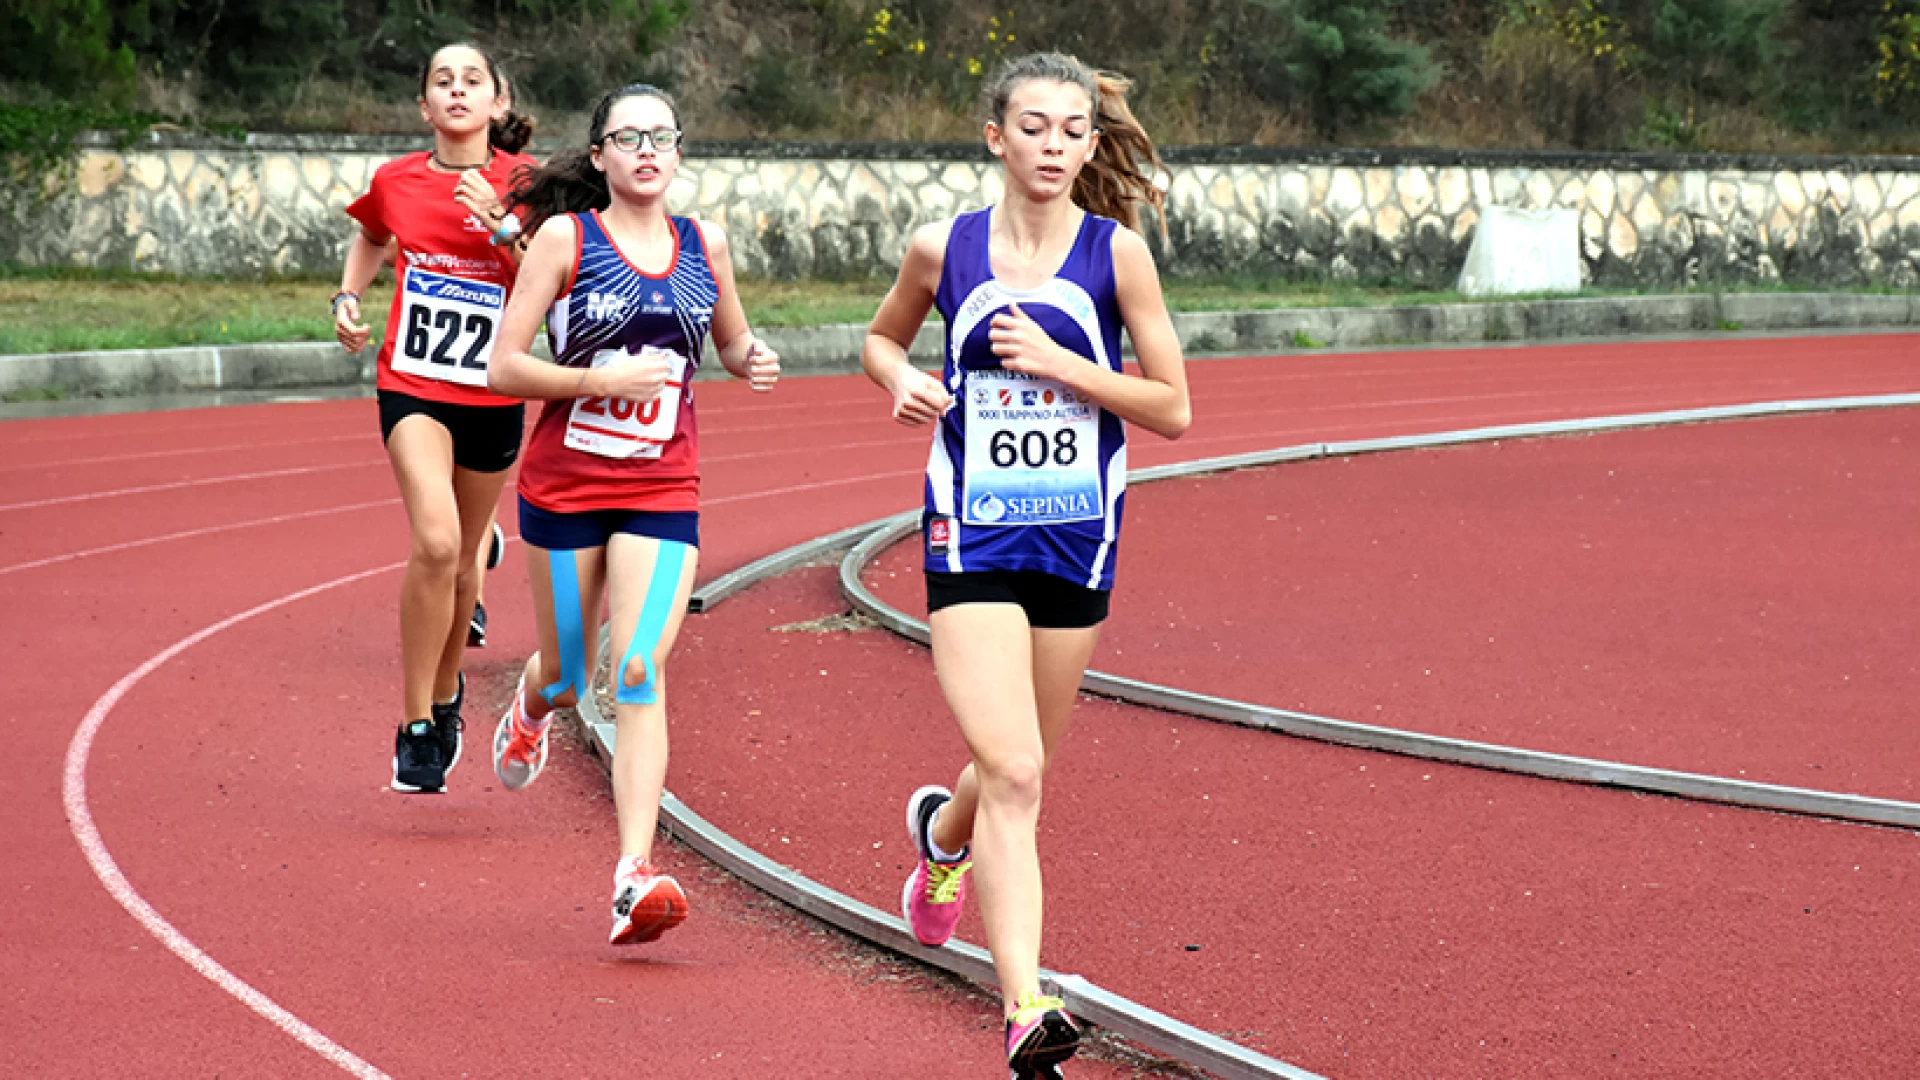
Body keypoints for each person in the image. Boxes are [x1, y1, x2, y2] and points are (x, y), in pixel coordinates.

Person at [859, 52, 1190, 1078]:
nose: (1053, 146)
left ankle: (941, 840)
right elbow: (876, 340)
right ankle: (1023, 1008)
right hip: (970, 531)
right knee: (1014, 768)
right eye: (1033, 127)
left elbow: (1173, 408)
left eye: (1071, 130)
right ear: (994, 137)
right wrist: (902, 378)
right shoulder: (942, 248)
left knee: (1020, 766)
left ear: (1092, 143)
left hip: (1078, 537)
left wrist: (1066, 368)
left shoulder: (1117, 256)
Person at [487, 83, 780, 945]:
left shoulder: (705, 245)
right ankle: (533, 707)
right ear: (603, 154)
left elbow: (728, 343)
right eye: (629, 137)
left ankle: (632, 873)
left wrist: (751, 358)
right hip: (565, 488)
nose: (647, 150)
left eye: (662, 137)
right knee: (573, 674)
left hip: (662, 486)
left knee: (640, 667)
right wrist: (597, 381)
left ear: (680, 152)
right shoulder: (564, 239)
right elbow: (505, 368)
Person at [333, 42, 537, 794]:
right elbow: (372, 234)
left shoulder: (525, 184)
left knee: (460, 566)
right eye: (442, 82)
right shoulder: (397, 180)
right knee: (438, 538)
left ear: (497, 103)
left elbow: (547, 282)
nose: (457, 91)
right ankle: (416, 722)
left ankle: (448, 693)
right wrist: (347, 298)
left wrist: (503, 230)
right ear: (424, 106)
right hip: (413, 385)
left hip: (492, 391)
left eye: (471, 81)